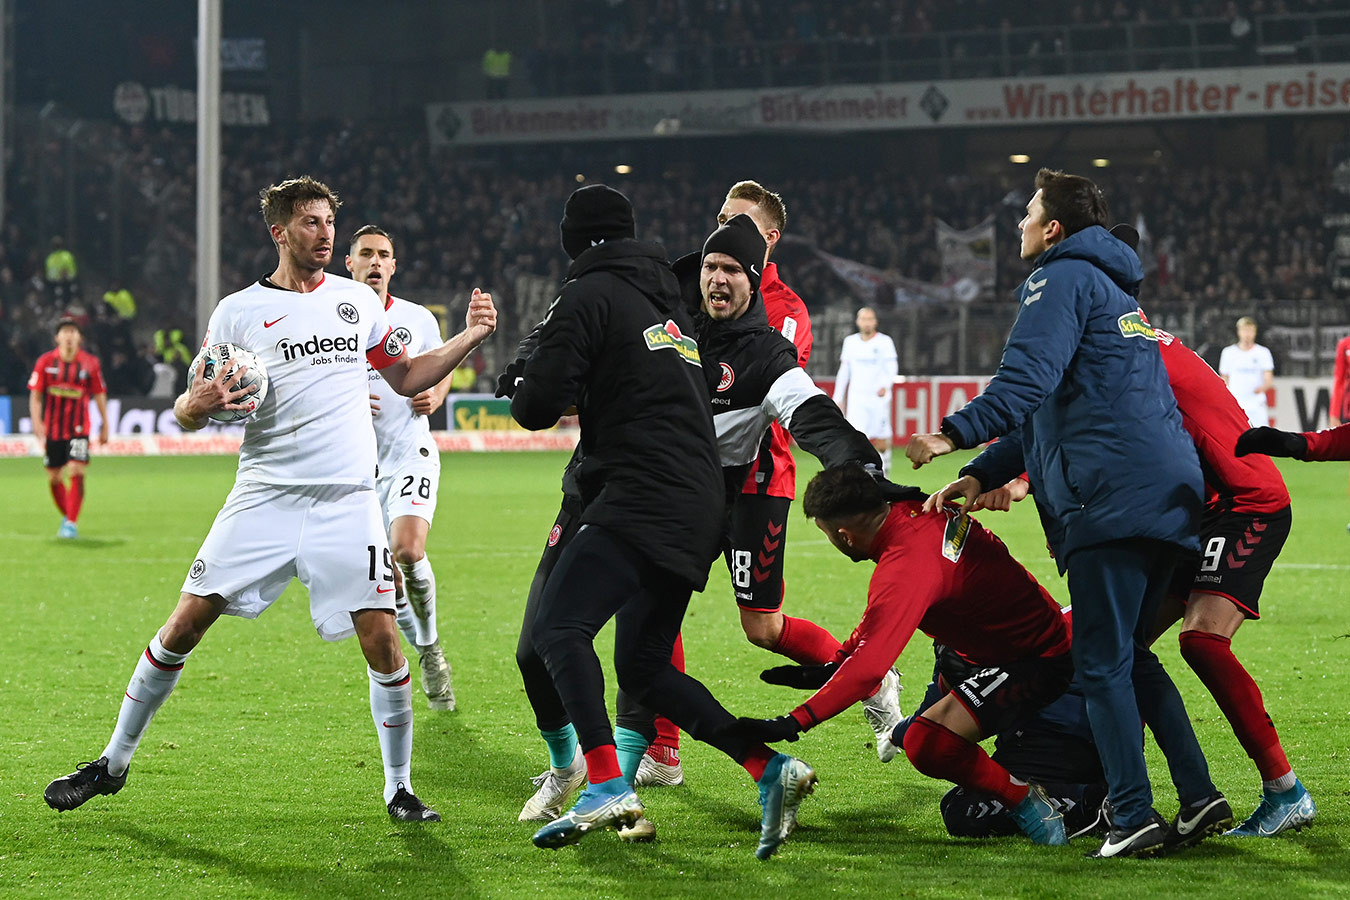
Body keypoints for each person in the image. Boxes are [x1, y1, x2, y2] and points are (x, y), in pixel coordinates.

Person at [44, 175, 498, 823]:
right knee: (184, 625)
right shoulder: (238, 311)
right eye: (312, 222)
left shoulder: (356, 303)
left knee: (382, 640)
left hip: (347, 501)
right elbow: (192, 407)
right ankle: (111, 764)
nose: (326, 233)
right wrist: (194, 404)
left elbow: (406, 378)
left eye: (330, 222)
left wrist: (469, 338)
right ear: (280, 232)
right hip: (264, 495)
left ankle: (398, 789)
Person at [905, 169, 1222, 859]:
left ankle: (1132, 816)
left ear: (1053, 228)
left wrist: (953, 433)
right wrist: (980, 474)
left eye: (1028, 213)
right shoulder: (1118, 295)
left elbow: (1025, 382)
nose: (1019, 224)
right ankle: (1199, 797)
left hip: (1109, 501)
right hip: (1167, 497)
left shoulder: (1059, 279)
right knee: (1131, 658)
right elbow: (1051, 415)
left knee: (1100, 664)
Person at [508, 184, 817, 859]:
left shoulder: (596, 293)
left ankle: (600, 780)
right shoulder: (673, 301)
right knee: (643, 665)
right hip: (698, 502)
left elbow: (538, 405)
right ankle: (767, 767)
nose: (717, 273)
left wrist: (528, 379)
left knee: (554, 632)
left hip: (630, 490)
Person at [736, 464, 1073, 846]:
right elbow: (878, 620)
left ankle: (1029, 802)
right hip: (978, 646)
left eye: (827, 533)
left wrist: (793, 722)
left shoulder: (908, 562)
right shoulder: (912, 512)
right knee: (911, 730)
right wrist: (838, 661)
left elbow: (869, 670)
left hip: (1033, 659)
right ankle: (917, 723)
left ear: (844, 535)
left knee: (928, 745)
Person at [636, 180, 822, 788]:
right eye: (720, 217)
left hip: (760, 478)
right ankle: (662, 750)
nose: (723, 228)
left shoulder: (785, 311)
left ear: (769, 239)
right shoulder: (695, 291)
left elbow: (767, 383)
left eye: (738, 221)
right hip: (694, 481)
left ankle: (869, 676)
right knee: (654, 605)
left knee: (761, 628)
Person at [346, 224, 456, 711]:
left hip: (410, 451)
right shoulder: (332, 320)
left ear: (393, 266)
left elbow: (441, 366)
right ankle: (425, 645)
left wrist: (438, 393)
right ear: (349, 263)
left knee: (408, 551)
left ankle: (430, 653)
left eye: (383, 254)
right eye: (366, 253)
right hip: (354, 469)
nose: (374, 261)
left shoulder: (416, 318)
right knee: (385, 582)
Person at [27, 317, 108, 539]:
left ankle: (71, 523)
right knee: (54, 477)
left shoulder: (90, 363)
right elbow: (35, 395)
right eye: (65, 331)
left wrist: (105, 424)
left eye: (73, 331)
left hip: (79, 428)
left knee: (76, 469)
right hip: (53, 429)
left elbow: (99, 394)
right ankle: (68, 515)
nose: (69, 335)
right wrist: (36, 421)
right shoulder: (45, 362)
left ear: (80, 338)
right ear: (57, 337)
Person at [833, 307, 898, 472]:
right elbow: (844, 371)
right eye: (863, 319)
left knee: (881, 441)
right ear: (858, 321)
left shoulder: (884, 342)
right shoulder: (850, 342)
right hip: (857, 399)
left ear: (875, 322)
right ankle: (862, 476)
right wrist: (838, 397)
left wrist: (885, 385)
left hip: (878, 398)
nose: (867, 323)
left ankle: (885, 474)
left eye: (870, 319)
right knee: (856, 440)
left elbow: (892, 367)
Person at [1218, 317, 1275, 428]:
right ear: (1239, 331)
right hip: (1236, 405)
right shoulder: (1228, 353)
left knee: (1262, 435)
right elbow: (1224, 378)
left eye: (1250, 330)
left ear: (1255, 332)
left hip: (1256, 405)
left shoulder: (1263, 353)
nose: (1247, 334)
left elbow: (1269, 380)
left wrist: (1260, 389)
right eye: (1244, 330)